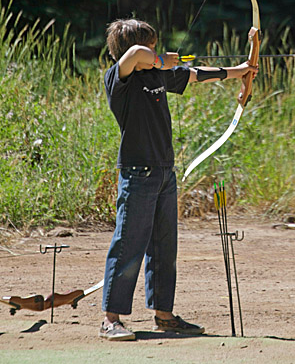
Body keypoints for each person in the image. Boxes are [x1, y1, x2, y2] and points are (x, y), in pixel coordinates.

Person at [99, 18, 259, 340]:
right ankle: (110, 319)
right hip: (138, 173)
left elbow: (197, 74)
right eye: (151, 46)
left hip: (163, 172)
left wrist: (242, 69)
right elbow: (133, 55)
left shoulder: (157, 74)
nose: (155, 52)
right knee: (128, 245)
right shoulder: (120, 78)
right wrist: (157, 58)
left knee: (163, 247)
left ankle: (164, 314)